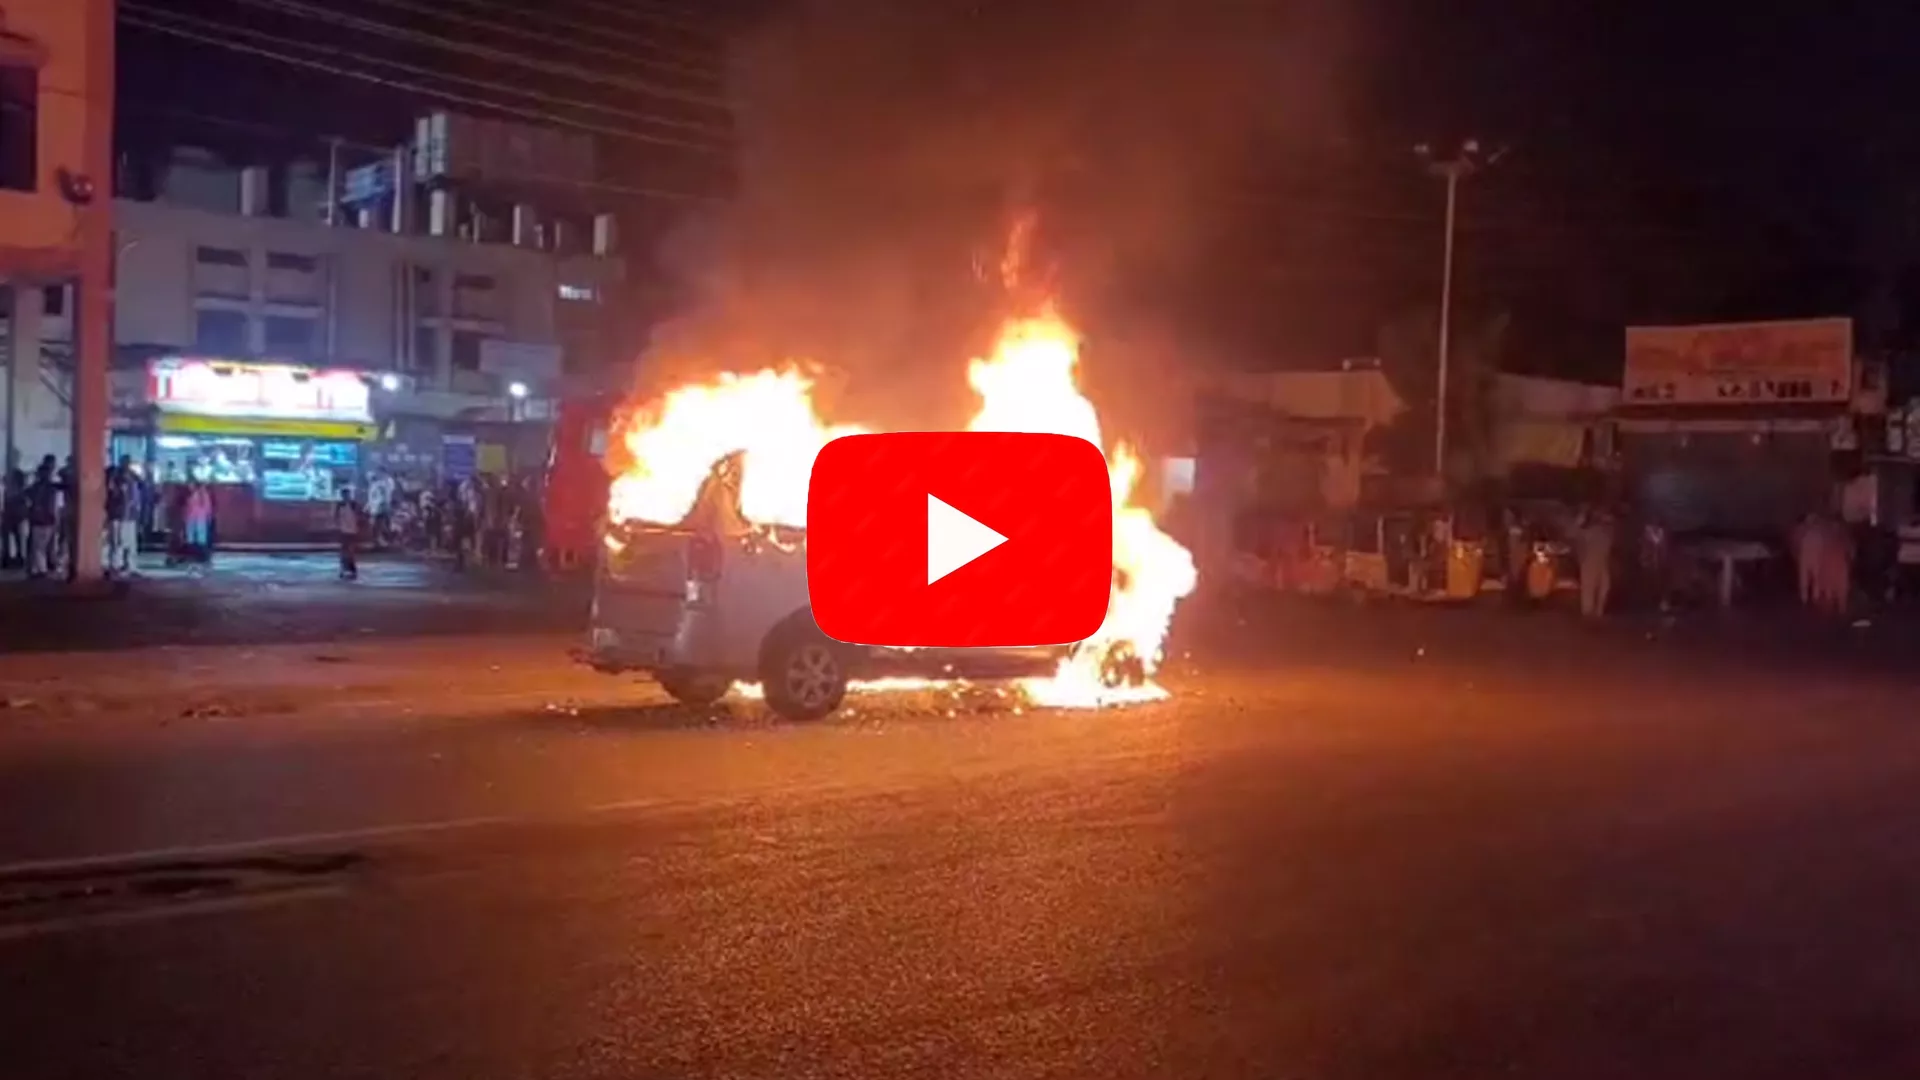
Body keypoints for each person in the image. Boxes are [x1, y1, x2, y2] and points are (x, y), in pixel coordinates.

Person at [1575, 504, 1616, 619]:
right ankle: (1588, 613)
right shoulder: (1588, 532)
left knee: (1604, 586)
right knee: (1589, 586)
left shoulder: (1607, 532)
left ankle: (1597, 611)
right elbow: (1577, 538)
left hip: (1602, 562)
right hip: (1589, 561)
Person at [24, 458, 60, 579]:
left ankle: (41, 570)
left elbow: (26, 496)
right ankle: (39, 569)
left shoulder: (37, 487)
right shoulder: (52, 487)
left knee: (38, 547)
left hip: (40, 520)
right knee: (41, 547)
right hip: (48, 520)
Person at [103, 456, 140, 576]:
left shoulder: (131, 477)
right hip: (120, 515)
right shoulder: (117, 477)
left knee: (123, 542)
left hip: (125, 516)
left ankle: (124, 565)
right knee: (118, 541)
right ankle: (117, 565)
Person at [183, 481, 214, 563]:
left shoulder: (202, 494)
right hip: (191, 517)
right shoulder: (189, 495)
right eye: (189, 484)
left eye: (191, 484)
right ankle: (193, 554)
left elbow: (207, 506)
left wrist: (208, 516)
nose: (189, 486)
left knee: (201, 535)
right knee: (191, 535)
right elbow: (188, 507)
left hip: (200, 517)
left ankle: (202, 555)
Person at [335, 487, 361, 581]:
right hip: (343, 530)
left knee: (350, 551)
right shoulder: (340, 505)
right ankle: (344, 568)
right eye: (344, 495)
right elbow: (336, 517)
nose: (346, 497)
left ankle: (351, 568)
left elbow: (358, 516)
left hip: (352, 530)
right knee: (344, 551)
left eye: (347, 495)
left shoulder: (354, 504)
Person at [1, 467, 25, 570]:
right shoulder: (17, 490)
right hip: (13, 516)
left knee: (13, 538)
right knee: (16, 538)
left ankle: (9, 557)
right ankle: (12, 557)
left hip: (13, 516)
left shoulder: (16, 491)